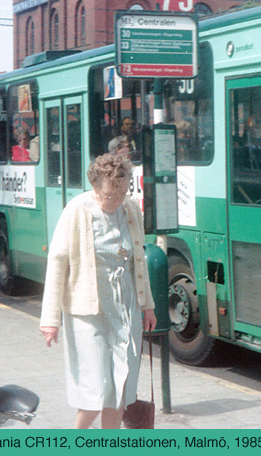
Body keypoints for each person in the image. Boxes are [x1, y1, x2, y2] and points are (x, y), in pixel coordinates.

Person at [40, 153, 157, 429]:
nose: (115, 200)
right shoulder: (77, 209)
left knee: (120, 388)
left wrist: (147, 306)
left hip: (125, 310)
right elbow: (57, 262)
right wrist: (50, 320)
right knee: (98, 391)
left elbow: (138, 261)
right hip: (88, 312)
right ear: (95, 186)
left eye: (122, 192)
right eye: (109, 194)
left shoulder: (129, 209)